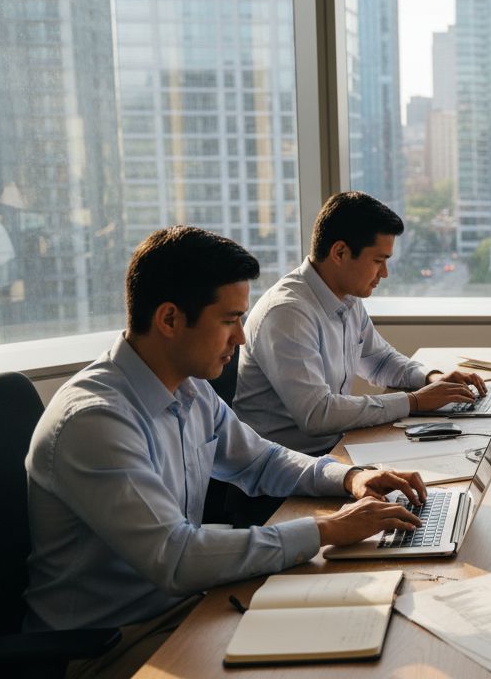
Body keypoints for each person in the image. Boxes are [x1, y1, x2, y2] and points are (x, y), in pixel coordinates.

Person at [26, 226, 426, 678]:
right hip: (111, 645)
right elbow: (176, 556)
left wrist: (350, 478)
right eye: (229, 320)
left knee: (368, 625)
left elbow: (261, 460)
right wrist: (327, 529)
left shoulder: (189, 387)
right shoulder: (95, 420)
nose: (241, 338)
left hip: (187, 605)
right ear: (170, 319)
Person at [235, 191, 485, 457]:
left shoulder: (347, 297)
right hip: (286, 467)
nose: (384, 273)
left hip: (333, 448)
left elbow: (380, 361)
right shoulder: (288, 313)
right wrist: (414, 401)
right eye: (378, 261)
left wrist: (430, 378)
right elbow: (318, 415)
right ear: (340, 252)